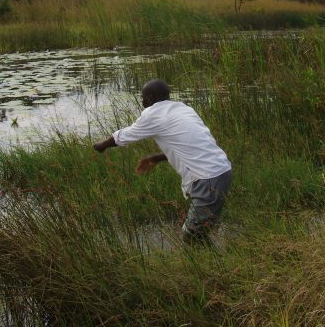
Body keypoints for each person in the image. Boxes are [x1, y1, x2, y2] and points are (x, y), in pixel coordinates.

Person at [93, 79, 232, 244]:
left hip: (207, 178)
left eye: (143, 97)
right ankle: (211, 263)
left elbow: (125, 135)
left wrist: (101, 145)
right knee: (200, 231)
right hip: (222, 171)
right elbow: (186, 145)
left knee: (192, 236)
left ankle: (212, 267)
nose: (142, 100)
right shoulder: (184, 109)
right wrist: (156, 158)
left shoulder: (152, 113)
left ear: (150, 98)